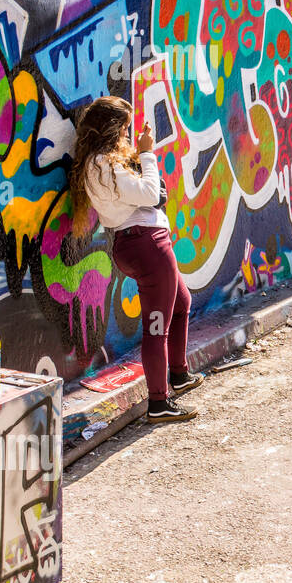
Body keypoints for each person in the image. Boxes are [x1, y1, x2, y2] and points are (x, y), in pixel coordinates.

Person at [69, 96, 203, 422]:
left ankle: (179, 375)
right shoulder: (107, 165)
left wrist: (141, 162)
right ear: (113, 129)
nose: (129, 135)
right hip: (148, 246)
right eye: (126, 129)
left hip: (136, 245)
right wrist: (146, 153)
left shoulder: (97, 164)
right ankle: (158, 403)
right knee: (156, 329)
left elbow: (146, 194)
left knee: (181, 304)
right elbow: (148, 195)